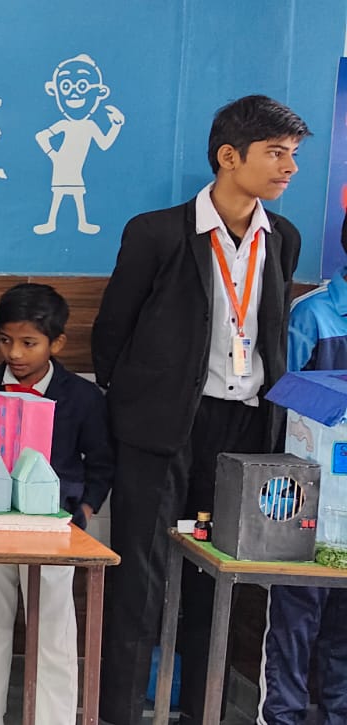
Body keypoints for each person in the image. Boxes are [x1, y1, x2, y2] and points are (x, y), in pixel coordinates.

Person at [91, 95, 308, 724]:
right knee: (141, 576)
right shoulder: (157, 232)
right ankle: (120, 712)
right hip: (162, 428)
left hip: (245, 429)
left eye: (293, 154)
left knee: (217, 576)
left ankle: (199, 710)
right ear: (229, 156)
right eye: (275, 153)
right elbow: (112, 332)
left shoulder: (282, 238)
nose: (289, 167)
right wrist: (136, 406)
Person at [0, 283, 113, 725]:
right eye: (6, 340)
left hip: (55, 529)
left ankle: (54, 718)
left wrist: (84, 510)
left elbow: (100, 463)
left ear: (57, 343)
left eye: (28, 342)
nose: (15, 353)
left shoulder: (82, 397)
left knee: (53, 629)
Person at [259, 214, 347, 725]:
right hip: (307, 501)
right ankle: (280, 717)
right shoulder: (313, 315)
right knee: (294, 621)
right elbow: (279, 408)